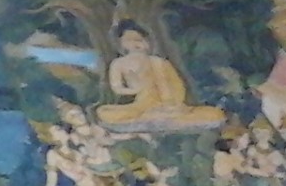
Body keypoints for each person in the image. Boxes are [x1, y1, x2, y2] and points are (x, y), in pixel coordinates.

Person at [95, 23, 226, 131]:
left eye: (139, 39)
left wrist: (172, 103)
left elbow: (177, 85)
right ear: (121, 43)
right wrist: (134, 89)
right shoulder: (119, 63)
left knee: (214, 114)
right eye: (129, 40)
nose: (135, 43)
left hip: (169, 106)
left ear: (147, 42)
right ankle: (157, 118)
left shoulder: (159, 62)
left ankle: (160, 118)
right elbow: (117, 87)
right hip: (141, 107)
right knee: (104, 112)